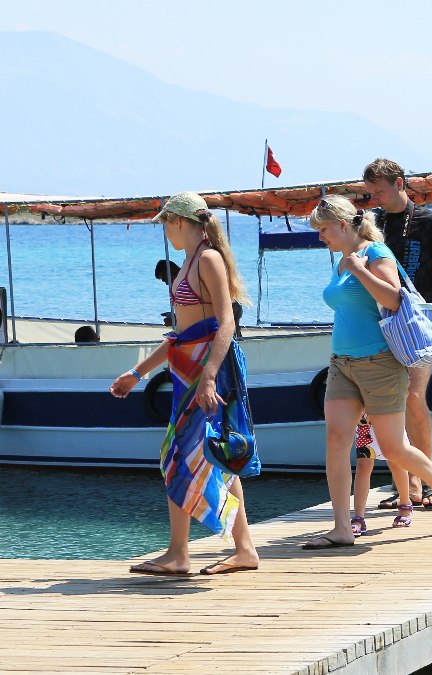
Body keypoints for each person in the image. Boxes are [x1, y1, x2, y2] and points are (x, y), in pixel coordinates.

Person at [111, 191, 259, 576]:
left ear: (178, 221)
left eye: (165, 223)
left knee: (183, 455)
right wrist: (137, 372)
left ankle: (180, 554)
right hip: (187, 370)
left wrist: (209, 375)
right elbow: (179, 335)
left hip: (206, 371)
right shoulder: (191, 260)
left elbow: (226, 322)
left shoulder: (207, 259)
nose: (165, 232)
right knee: (215, 457)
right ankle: (242, 549)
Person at [305, 195, 432, 546]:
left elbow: (394, 299)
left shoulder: (376, 254)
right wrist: (349, 267)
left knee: (393, 448)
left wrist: (359, 270)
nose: (321, 237)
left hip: (379, 361)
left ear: (343, 225)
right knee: (335, 440)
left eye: (324, 229)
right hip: (341, 362)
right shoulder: (342, 261)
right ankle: (342, 527)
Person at [362, 159, 432, 514]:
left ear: (399, 183)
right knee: (390, 403)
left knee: (412, 397)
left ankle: (423, 481)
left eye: (379, 191)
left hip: (420, 322)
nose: (375, 198)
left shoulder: (429, 222)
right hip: (384, 321)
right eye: (370, 193)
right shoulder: (373, 224)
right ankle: (406, 488)